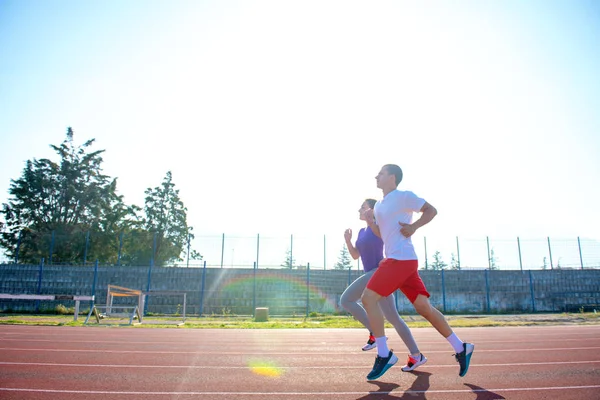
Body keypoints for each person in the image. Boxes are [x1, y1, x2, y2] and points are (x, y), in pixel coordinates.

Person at [361, 164, 474, 381]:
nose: (376, 176)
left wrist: (414, 227)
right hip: (403, 260)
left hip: (399, 259)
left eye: (381, 173)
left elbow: (431, 210)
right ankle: (461, 347)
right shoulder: (379, 206)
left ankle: (384, 354)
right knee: (423, 307)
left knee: (368, 299)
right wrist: (370, 221)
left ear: (392, 177)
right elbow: (381, 233)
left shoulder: (404, 196)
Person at [341, 198, 427, 372]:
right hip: (372, 276)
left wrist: (389, 259)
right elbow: (356, 255)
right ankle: (417, 355)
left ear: (372, 210)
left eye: (363, 207)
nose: (359, 209)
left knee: (346, 300)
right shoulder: (361, 231)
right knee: (394, 318)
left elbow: (392, 241)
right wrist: (348, 240)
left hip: (379, 272)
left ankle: (375, 333)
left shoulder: (381, 226)